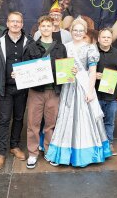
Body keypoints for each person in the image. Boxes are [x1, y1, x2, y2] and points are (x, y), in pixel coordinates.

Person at [45, 19, 111, 167]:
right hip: (68, 87)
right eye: (75, 30)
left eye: (81, 30)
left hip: (83, 86)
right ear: (71, 31)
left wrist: (90, 90)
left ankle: (86, 154)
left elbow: (93, 71)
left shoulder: (91, 48)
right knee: (65, 117)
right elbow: (60, 67)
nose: (78, 33)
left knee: (84, 118)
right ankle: (63, 154)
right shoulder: (64, 47)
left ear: (85, 32)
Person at [23, 15, 67, 169]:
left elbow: (65, 67)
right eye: (43, 26)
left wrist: (71, 70)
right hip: (36, 92)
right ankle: (33, 154)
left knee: (50, 124)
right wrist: (19, 74)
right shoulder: (31, 47)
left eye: (49, 26)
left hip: (54, 91)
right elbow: (24, 68)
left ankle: (49, 151)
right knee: (33, 124)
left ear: (53, 27)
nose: (46, 28)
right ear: (39, 27)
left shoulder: (61, 47)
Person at [0, 12, 34, 170]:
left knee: (18, 118)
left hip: (22, 87)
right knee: (3, 119)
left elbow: (33, 63)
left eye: (18, 22)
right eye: (12, 21)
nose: (15, 24)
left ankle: (14, 146)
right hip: (5, 87)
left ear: (22, 24)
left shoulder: (29, 41)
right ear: (7, 23)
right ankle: (1, 152)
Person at [95, 28, 117, 156]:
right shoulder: (93, 52)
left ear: (111, 39)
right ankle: (96, 144)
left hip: (112, 95)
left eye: (108, 37)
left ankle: (108, 143)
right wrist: (92, 75)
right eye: (103, 37)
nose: (106, 39)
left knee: (109, 121)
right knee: (95, 121)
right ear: (98, 39)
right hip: (95, 95)